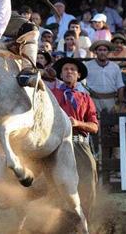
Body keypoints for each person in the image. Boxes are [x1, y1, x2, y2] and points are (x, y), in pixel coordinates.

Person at [51, 57, 98, 221]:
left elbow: (94, 126)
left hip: (79, 144)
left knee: (89, 181)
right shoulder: (51, 95)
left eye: (72, 69)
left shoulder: (86, 98)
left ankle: (85, 221)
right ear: (61, 74)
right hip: (56, 144)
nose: (69, 71)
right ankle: (56, 222)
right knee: (54, 185)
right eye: (65, 69)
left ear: (78, 75)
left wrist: (77, 122)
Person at [85, 40, 125, 113]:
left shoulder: (115, 67)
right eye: (100, 50)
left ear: (108, 52)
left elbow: (120, 86)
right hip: (93, 100)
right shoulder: (87, 66)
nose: (102, 52)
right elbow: (82, 85)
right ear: (95, 51)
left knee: (112, 123)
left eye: (104, 50)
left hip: (111, 101)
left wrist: (119, 104)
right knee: (94, 122)